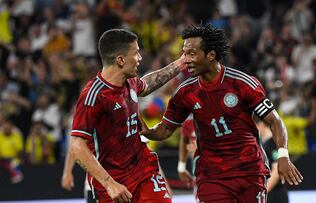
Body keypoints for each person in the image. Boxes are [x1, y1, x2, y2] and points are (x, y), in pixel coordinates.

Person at [141, 23, 303, 203]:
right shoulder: (184, 92)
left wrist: (283, 155)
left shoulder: (242, 83)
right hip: (211, 176)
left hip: (249, 172)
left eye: (192, 54)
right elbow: (165, 129)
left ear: (211, 55)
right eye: (184, 53)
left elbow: (274, 121)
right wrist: (147, 131)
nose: (186, 60)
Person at [69, 28, 185, 203]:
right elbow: (77, 146)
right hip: (113, 184)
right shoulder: (94, 96)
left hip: (143, 171)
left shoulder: (129, 82)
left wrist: (181, 63)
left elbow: (148, 83)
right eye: (136, 53)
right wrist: (109, 183)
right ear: (120, 60)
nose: (140, 58)